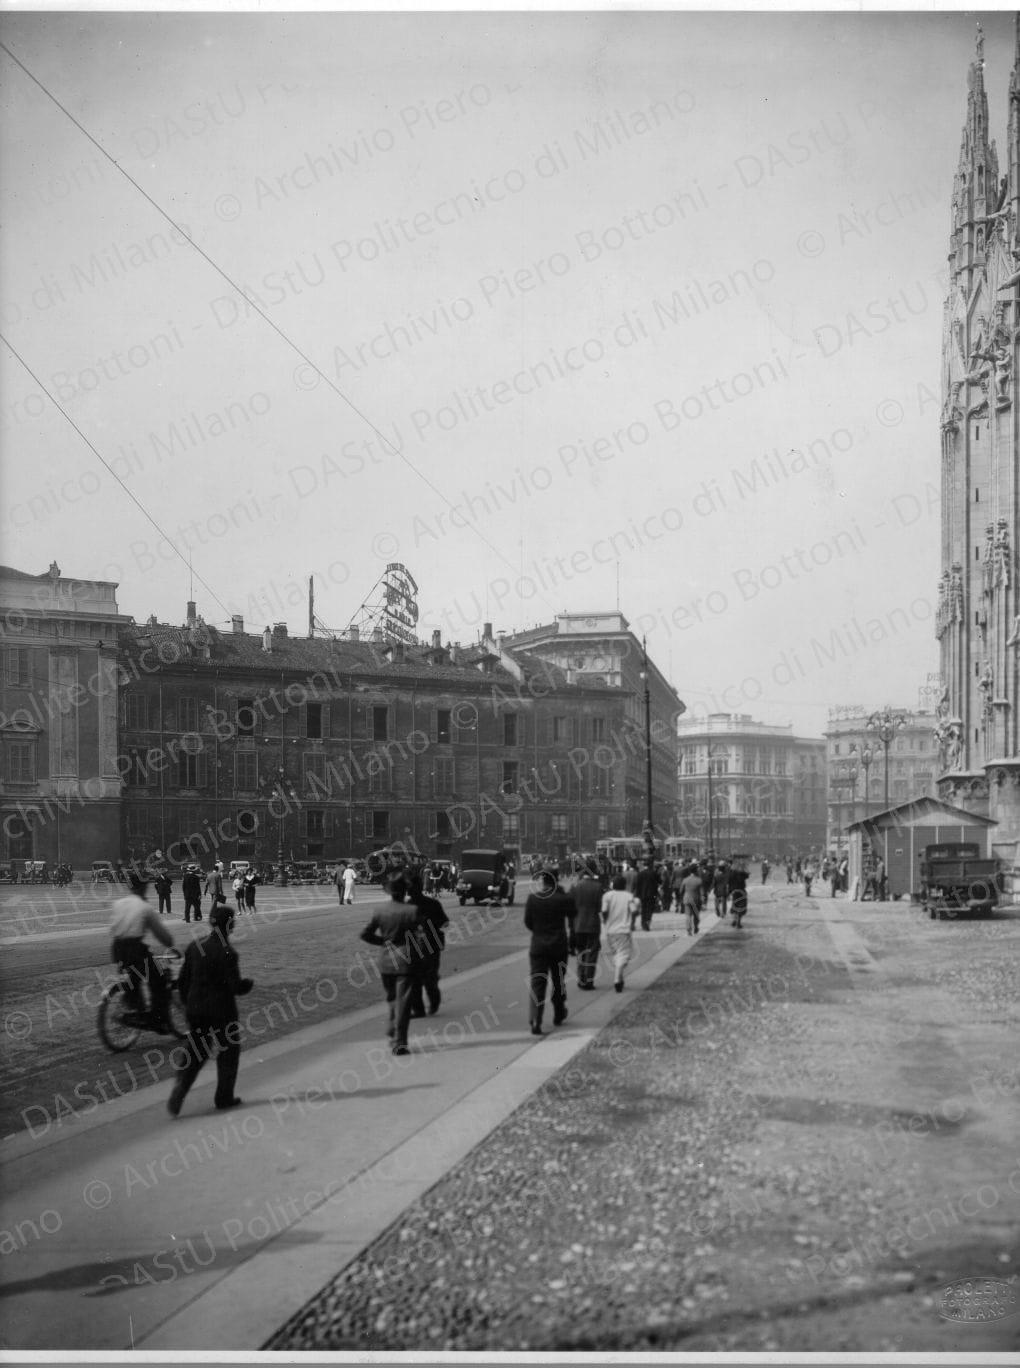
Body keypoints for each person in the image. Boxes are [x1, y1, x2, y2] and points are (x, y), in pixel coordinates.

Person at [167, 902, 254, 1117]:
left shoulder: (195, 946)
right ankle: (223, 1097)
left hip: (196, 1009)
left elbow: (183, 981)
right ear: (230, 926)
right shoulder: (228, 953)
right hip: (222, 1011)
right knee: (228, 1052)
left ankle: (181, 1086)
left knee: (197, 1051)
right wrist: (247, 984)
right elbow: (235, 987)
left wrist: (189, 1005)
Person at [359, 874, 426, 1055]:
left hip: (385, 962)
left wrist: (383, 942)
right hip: (405, 961)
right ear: (404, 892)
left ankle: (391, 1027)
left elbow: (365, 934)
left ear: (389, 891)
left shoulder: (380, 910)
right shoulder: (412, 911)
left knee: (391, 999)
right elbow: (422, 937)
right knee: (403, 1003)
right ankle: (399, 1042)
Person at [110, 873, 176, 1032]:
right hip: (134, 948)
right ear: (144, 887)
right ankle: (157, 1019)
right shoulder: (145, 907)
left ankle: (134, 1003)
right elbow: (162, 935)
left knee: (135, 976)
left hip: (117, 948)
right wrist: (170, 943)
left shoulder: (118, 904)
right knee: (158, 979)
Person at [523, 868, 576, 1035]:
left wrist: (540, 932)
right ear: (557, 880)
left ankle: (535, 1019)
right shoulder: (563, 898)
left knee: (537, 983)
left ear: (542, 881)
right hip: (558, 945)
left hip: (538, 946)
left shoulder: (533, 898)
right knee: (558, 981)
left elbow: (528, 922)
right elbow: (574, 913)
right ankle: (559, 1013)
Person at [408, 872, 449, 1017]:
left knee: (417, 980)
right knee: (427, 978)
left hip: (419, 946)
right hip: (429, 945)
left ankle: (421, 1009)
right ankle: (432, 1004)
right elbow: (445, 921)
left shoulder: (407, 906)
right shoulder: (433, 903)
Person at [601, 874, 639, 991]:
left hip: (610, 930)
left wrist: (605, 920)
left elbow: (604, 911)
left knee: (617, 954)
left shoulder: (607, 895)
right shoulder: (628, 896)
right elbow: (634, 911)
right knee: (623, 954)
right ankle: (617, 978)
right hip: (623, 930)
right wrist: (632, 922)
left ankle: (620, 978)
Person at [571, 863, 603, 990]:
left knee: (581, 952)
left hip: (578, 924)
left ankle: (581, 978)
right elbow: (600, 907)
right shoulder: (598, 886)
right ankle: (589, 980)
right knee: (592, 953)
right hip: (593, 924)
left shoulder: (575, 887)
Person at [635, 859, 659, 932]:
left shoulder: (640, 873)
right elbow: (659, 882)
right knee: (650, 909)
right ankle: (648, 922)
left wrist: (637, 895)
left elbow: (638, 885)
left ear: (644, 865)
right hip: (652, 894)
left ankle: (643, 923)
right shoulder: (653, 873)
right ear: (650, 865)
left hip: (642, 895)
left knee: (643, 909)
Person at [680, 863, 703, 937]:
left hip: (687, 899)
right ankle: (696, 927)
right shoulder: (699, 880)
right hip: (696, 900)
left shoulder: (685, 880)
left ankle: (688, 930)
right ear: (696, 870)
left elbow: (681, 891)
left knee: (688, 915)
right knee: (696, 915)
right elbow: (702, 892)